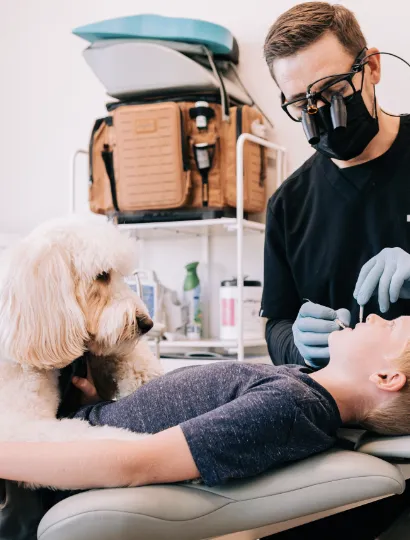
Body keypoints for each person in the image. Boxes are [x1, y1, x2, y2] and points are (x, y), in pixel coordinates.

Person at [0, 314, 410, 493]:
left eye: (390, 326)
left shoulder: (289, 408)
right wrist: (98, 405)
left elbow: (135, 464)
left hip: (46, 456)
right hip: (76, 416)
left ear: (387, 378)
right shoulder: (299, 382)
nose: (374, 317)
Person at [261, 2, 410, 371]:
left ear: (371, 67)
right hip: (346, 415)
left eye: (333, 90)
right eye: (301, 103)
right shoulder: (288, 205)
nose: (321, 112)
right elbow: (277, 322)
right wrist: (296, 343)